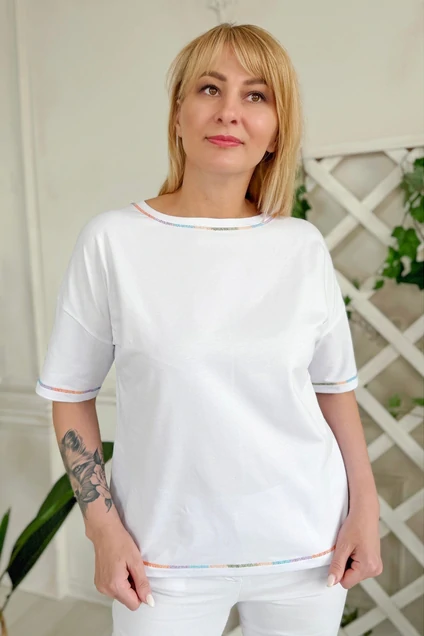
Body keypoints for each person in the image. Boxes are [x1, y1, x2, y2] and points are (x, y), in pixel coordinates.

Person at [35, 22, 382, 636]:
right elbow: (71, 394)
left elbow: (334, 392)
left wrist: (365, 512)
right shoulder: (113, 241)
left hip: (307, 551)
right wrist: (103, 529)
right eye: (209, 88)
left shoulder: (301, 246)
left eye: (256, 95)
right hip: (161, 560)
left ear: (276, 131)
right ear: (177, 114)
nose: (229, 112)